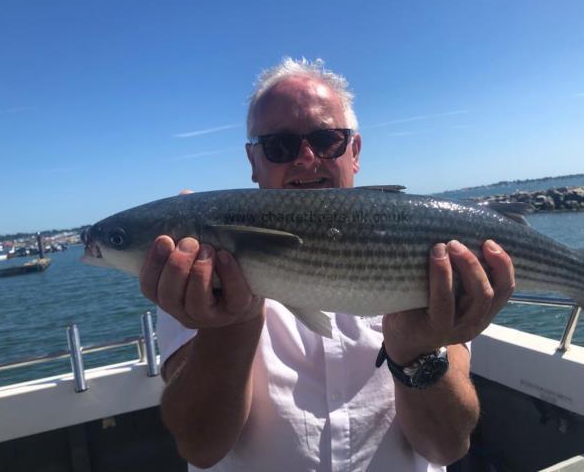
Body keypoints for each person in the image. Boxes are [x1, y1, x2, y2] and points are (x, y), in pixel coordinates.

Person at [139, 58, 515, 472]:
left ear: (353, 152)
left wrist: (415, 351)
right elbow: (201, 446)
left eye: (326, 139)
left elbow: (446, 447)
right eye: (279, 146)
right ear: (253, 160)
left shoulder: (424, 249)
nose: (304, 158)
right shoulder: (196, 265)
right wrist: (229, 323)